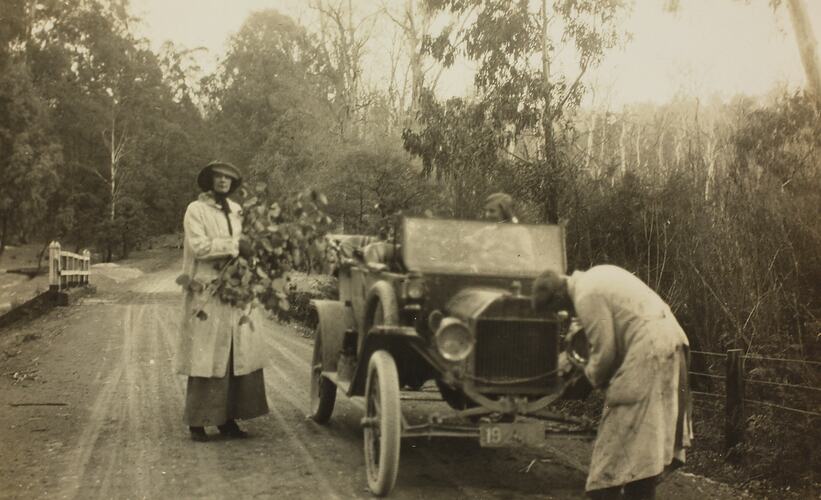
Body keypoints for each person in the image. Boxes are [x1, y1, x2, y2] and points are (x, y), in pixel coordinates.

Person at [531, 265, 692, 500]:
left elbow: (604, 353)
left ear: (558, 296)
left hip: (649, 353)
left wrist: (584, 382)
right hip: (668, 345)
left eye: (556, 309)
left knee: (609, 460)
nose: (562, 314)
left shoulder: (586, 295)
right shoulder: (596, 277)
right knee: (645, 450)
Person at [176, 161, 269, 441]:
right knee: (207, 354)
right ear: (209, 181)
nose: (223, 182)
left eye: (228, 178)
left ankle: (228, 420)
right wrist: (233, 246)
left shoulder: (238, 211)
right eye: (218, 177)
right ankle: (198, 421)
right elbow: (200, 247)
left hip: (236, 288)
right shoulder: (196, 210)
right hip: (207, 287)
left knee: (234, 352)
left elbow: (248, 245)